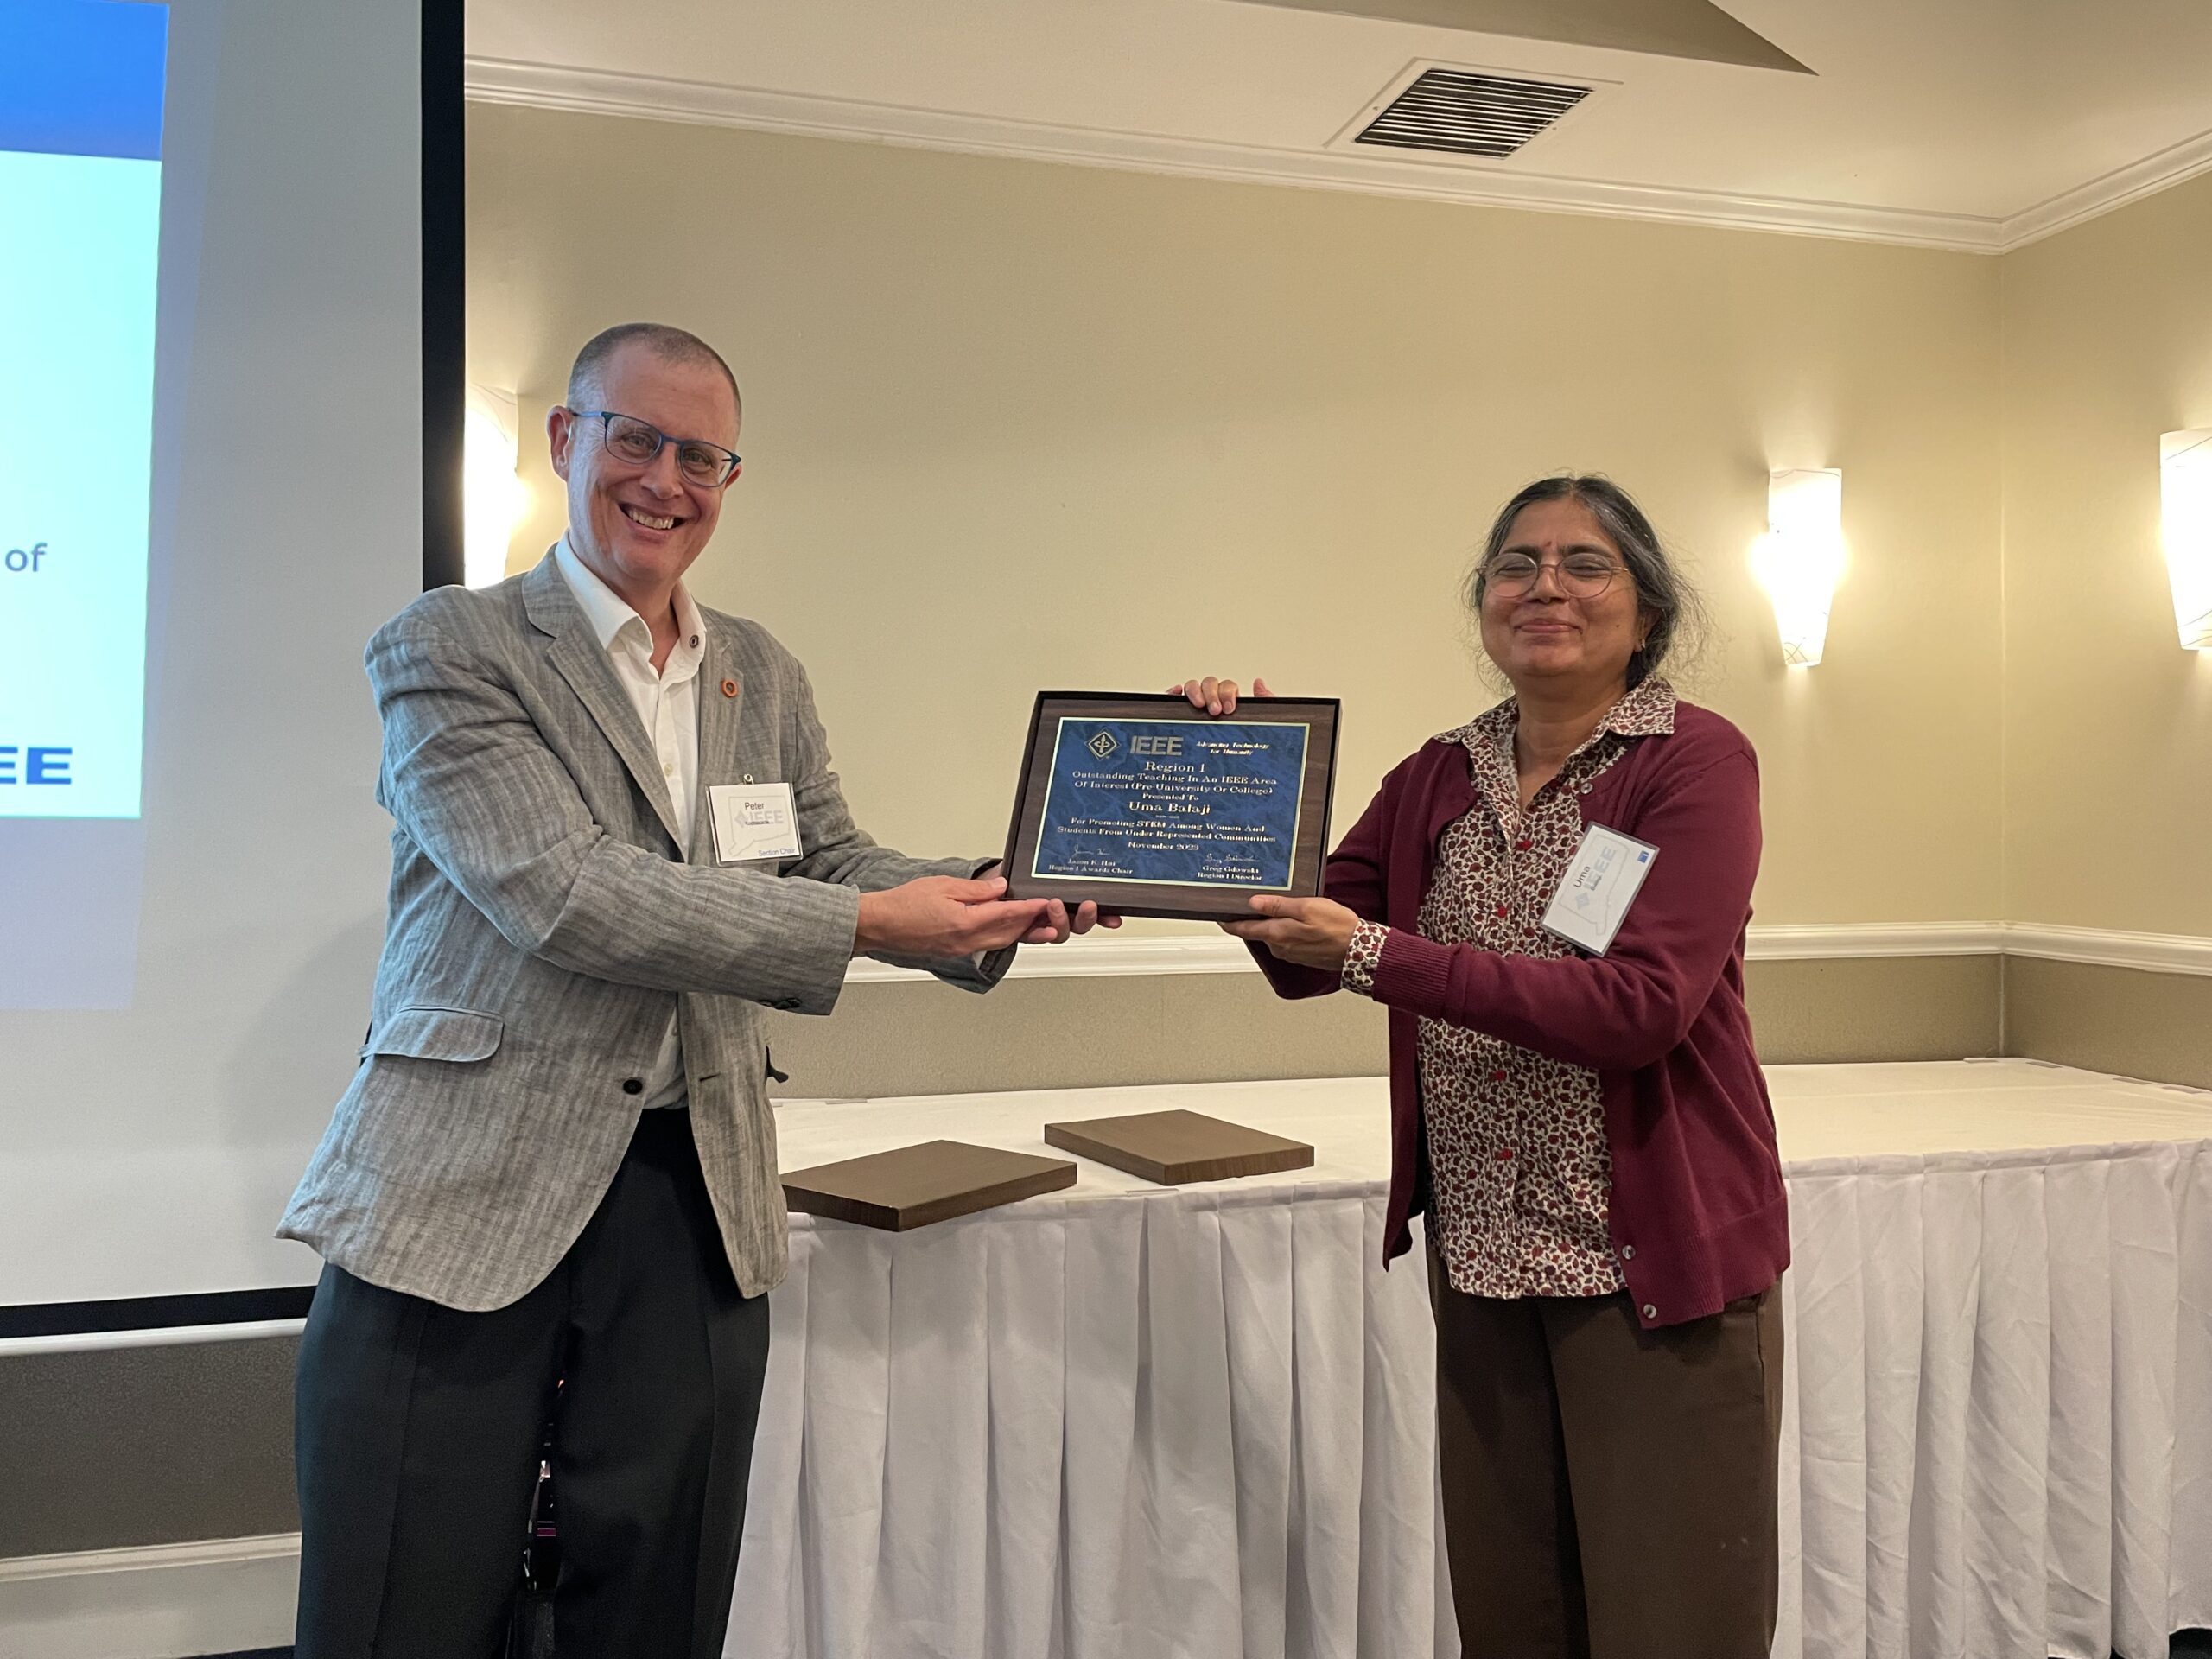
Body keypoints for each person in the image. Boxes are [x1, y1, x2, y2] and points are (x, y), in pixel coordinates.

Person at [281, 321, 1108, 1659]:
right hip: (458, 1189)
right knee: (402, 1603)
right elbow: (565, 892)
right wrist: (862, 918)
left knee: (660, 1600)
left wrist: (1002, 890)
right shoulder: (452, 646)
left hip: (694, 1188)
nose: (667, 478)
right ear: (567, 440)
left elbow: (831, 855)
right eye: (637, 437)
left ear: (731, 479)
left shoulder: (756, 668)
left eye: (703, 456)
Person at [1179, 474, 1789, 1659]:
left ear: (1647, 610)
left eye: (1585, 563)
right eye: (1517, 564)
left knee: (1675, 1629)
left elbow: (1641, 1008)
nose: (1545, 585)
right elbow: (1303, 949)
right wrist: (1224, 775)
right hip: (1487, 1265)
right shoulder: (1437, 777)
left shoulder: (1692, 765)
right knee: (1517, 1626)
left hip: (1651, 1274)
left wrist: (1381, 954)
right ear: (1485, 605)